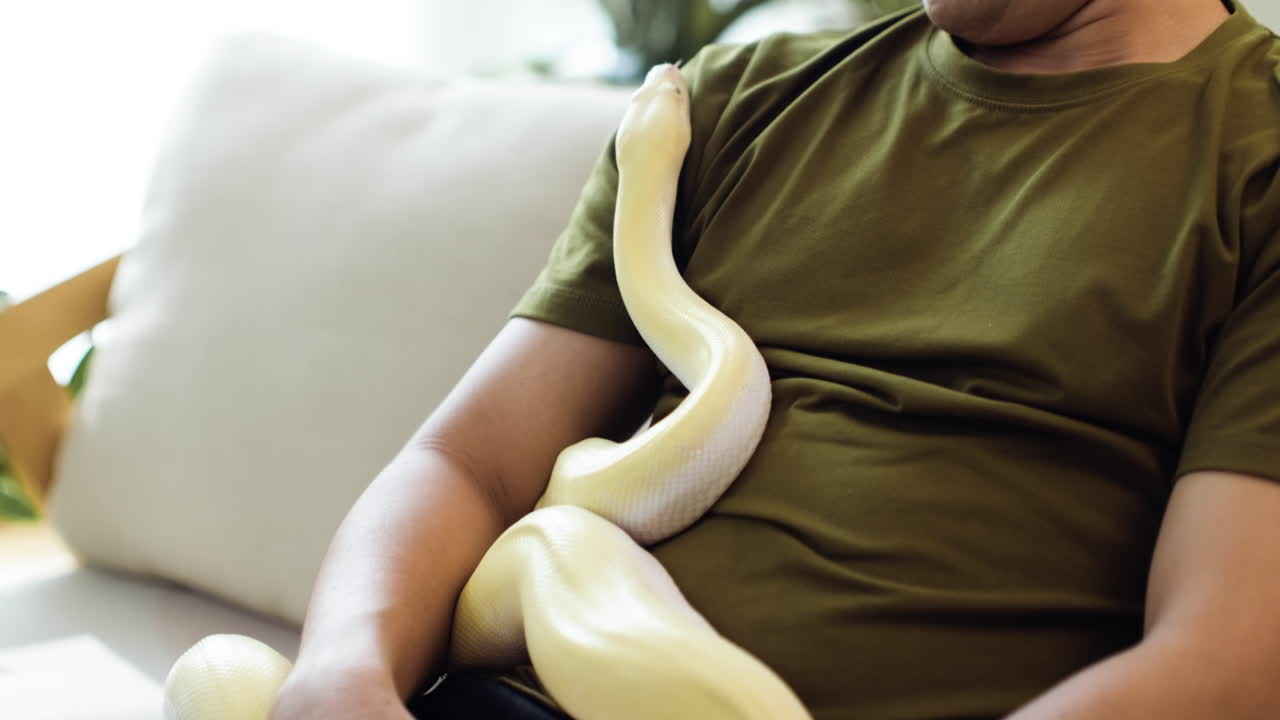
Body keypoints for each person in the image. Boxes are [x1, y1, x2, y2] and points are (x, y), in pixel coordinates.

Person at [271, 0, 1280, 718]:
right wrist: (338, 671)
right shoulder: (716, 107)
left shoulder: (1254, 155)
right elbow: (468, 465)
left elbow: (1223, 665)